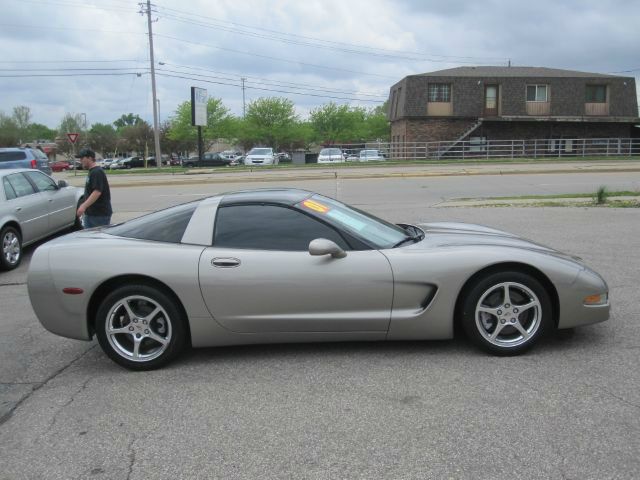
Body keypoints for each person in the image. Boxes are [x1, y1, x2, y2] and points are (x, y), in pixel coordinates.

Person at [76, 147, 112, 228]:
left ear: (90, 158)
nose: (80, 160)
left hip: (99, 215)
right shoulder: (92, 171)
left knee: (96, 239)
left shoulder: (97, 172)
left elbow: (97, 192)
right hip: (92, 214)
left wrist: (83, 206)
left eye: (82, 158)